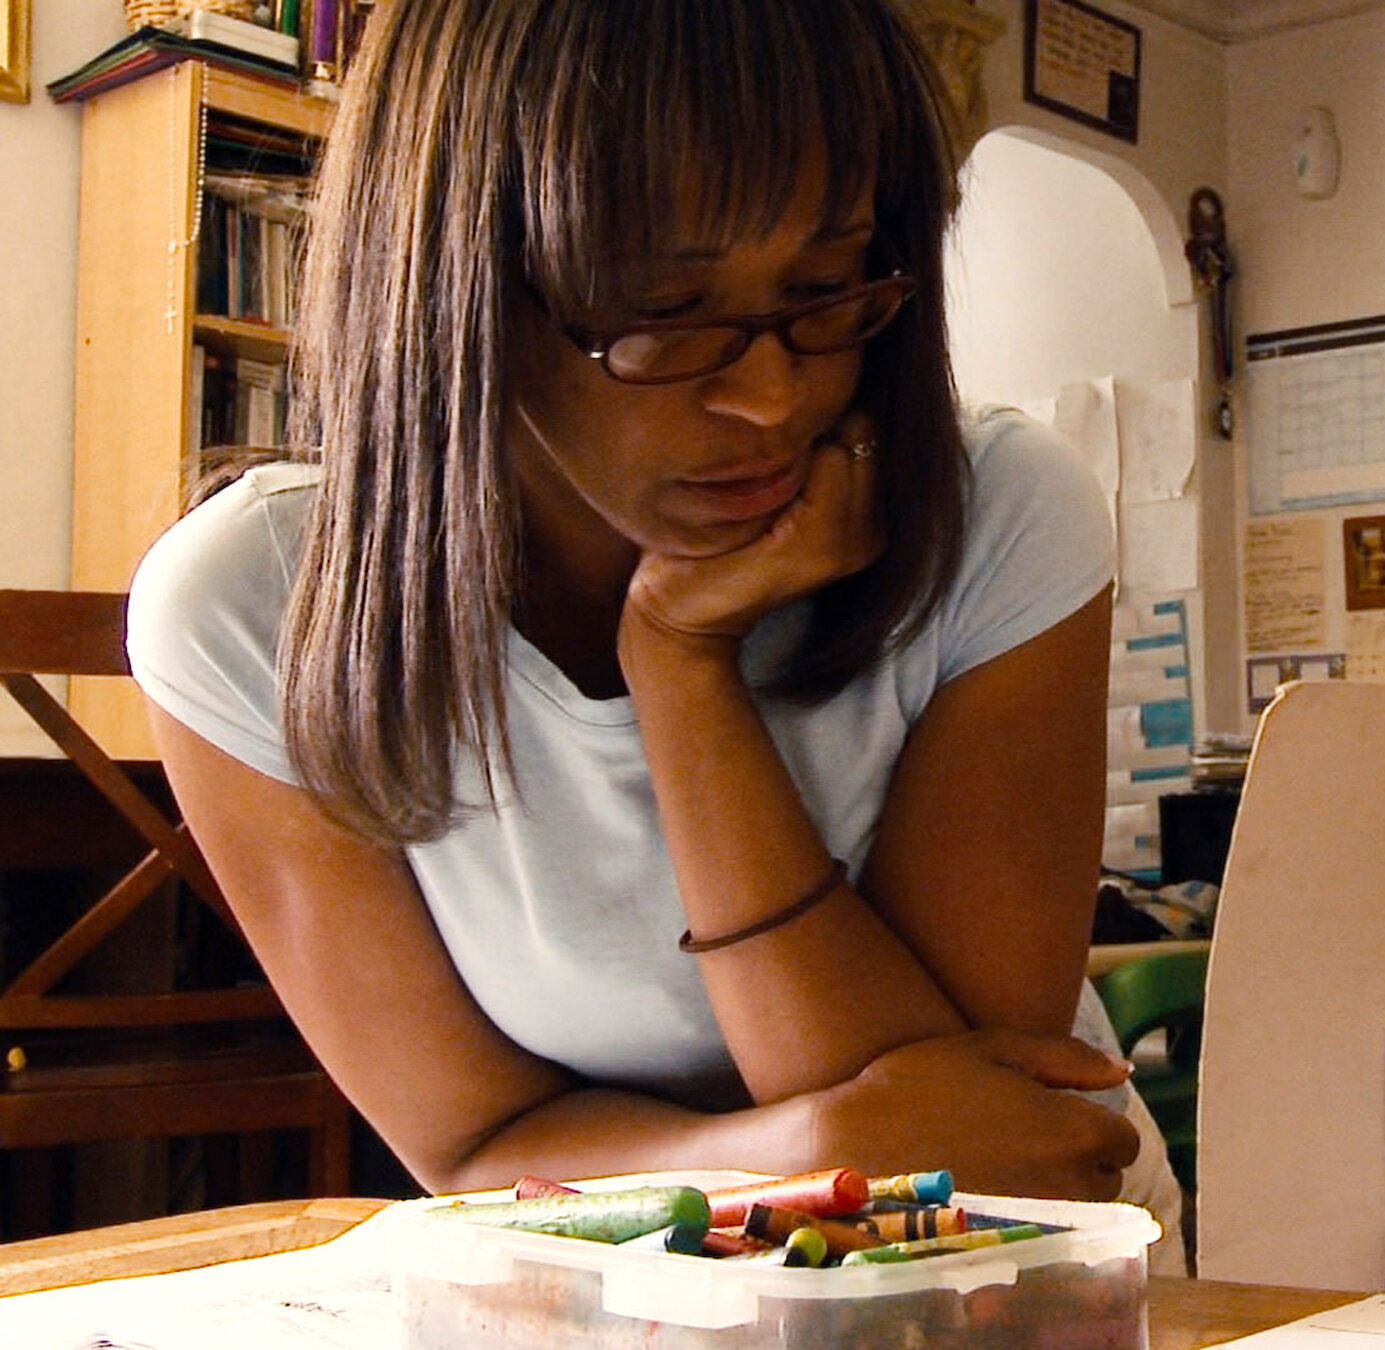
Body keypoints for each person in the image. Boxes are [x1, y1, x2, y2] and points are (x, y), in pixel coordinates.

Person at [125, 0, 1183, 1256]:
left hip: (1017, 1262)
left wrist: (681, 671)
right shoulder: (251, 613)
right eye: (664, 315)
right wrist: (810, 1155)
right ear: (456, 291)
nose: (771, 392)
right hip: (605, 1290)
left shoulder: (1006, 514)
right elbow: (467, 1149)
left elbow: (962, 1147)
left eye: (827, 286)